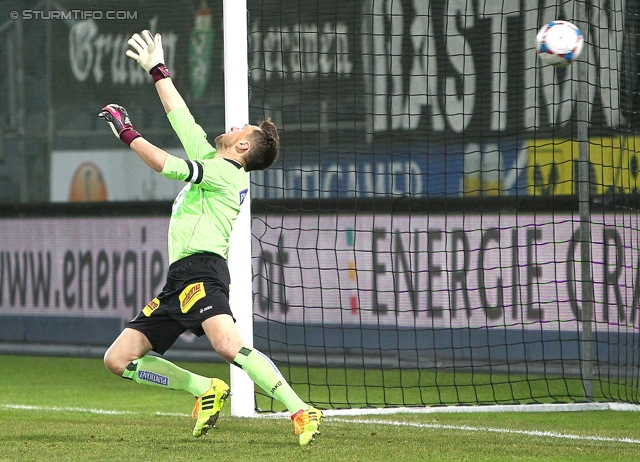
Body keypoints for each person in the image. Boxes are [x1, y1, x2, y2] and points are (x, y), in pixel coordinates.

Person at [99, 30, 322, 447]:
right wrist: (156, 69)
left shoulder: (224, 172)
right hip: (178, 278)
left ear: (241, 145)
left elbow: (166, 166)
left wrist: (127, 133)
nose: (235, 125)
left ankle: (299, 408)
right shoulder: (215, 161)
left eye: (242, 127)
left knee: (227, 345)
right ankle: (203, 389)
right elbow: (181, 116)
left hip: (202, 269)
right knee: (118, 359)